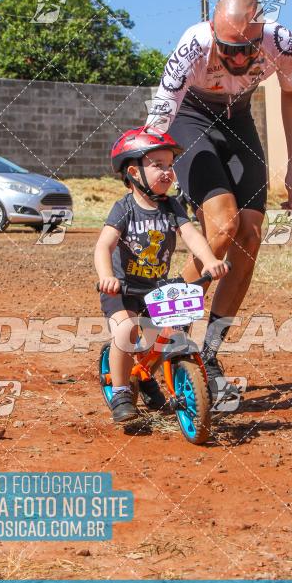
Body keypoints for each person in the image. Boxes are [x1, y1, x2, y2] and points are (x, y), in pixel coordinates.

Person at [145, 0, 292, 399]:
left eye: (245, 50)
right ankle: (162, 328)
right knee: (222, 229)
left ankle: (210, 353)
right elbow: (160, 116)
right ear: (212, 33)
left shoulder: (282, 44)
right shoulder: (192, 47)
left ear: (261, 32)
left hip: (239, 121)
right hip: (191, 121)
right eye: (228, 49)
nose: (236, 59)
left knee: (249, 236)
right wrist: (150, 175)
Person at [94, 128, 229, 424]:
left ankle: (145, 377)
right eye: (158, 165)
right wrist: (107, 276)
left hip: (156, 288)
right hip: (123, 289)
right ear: (134, 172)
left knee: (163, 339)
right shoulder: (124, 209)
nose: (168, 172)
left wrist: (209, 260)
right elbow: (104, 244)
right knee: (126, 331)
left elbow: (191, 235)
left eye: (170, 165)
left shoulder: (171, 206)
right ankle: (120, 392)